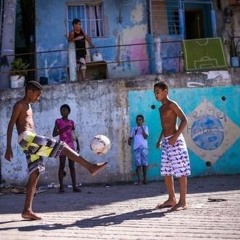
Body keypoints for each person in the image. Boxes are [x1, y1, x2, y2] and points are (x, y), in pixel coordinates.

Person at [4, 81, 107, 220]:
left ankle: (27, 210)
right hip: (27, 138)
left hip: (30, 140)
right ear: (29, 92)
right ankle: (90, 167)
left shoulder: (29, 106)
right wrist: (8, 147)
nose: (38, 98)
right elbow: (11, 124)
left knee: (35, 172)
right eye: (37, 95)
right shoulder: (20, 105)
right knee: (62, 146)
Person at [154, 81, 191, 211]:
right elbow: (164, 126)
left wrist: (175, 136)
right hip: (166, 142)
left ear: (165, 91)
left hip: (176, 142)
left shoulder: (172, 104)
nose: (155, 95)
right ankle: (171, 199)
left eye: (157, 92)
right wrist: (160, 140)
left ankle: (183, 202)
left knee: (181, 172)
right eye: (154, 92)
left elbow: (184, 120)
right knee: (166, 171)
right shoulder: (161, 108)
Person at [52, 104, 81, 193]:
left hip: (71, 146)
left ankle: (74, 187)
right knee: (62, 165)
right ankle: (61, 187)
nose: (62, 112)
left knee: (72, 166)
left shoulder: (71, 122)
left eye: (64, 110)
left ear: (69, 112)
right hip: (62, 146)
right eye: (61, 110)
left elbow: (75, 134)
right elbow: (54, 134)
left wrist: (78, 145)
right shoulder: (58, 121)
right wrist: (63, 129)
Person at [128, 114, 149, 185]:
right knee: (138, 164)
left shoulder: (145, 127)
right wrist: (129, 141)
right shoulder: (134, 129)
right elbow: (131, 137)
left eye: (140, 120)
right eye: (137, 120)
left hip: (144, 148)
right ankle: (139, 180)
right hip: (136, 148)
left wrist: (142, 128)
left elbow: (145, 137)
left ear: (142, 121)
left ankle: (145, 179)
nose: (138, 121)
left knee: (144, 164)